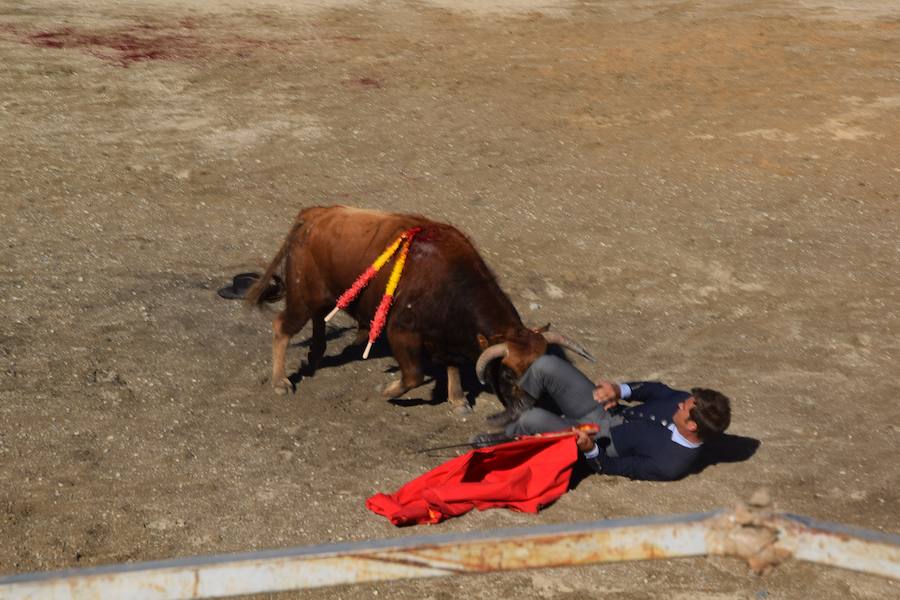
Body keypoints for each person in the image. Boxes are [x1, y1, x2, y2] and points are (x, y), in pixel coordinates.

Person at [471, 355, 732, 481]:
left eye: (684, 407)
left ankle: (502, 439)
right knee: (546, 366)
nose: (679, 402)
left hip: (600, 437)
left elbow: (615, 467)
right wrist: (620, 390)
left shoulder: (670, 465)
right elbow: (656, 390)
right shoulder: (687, 404)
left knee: (534, 419)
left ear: (692, 425)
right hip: (606, 409)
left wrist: (590, 449)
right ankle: (518, 406)